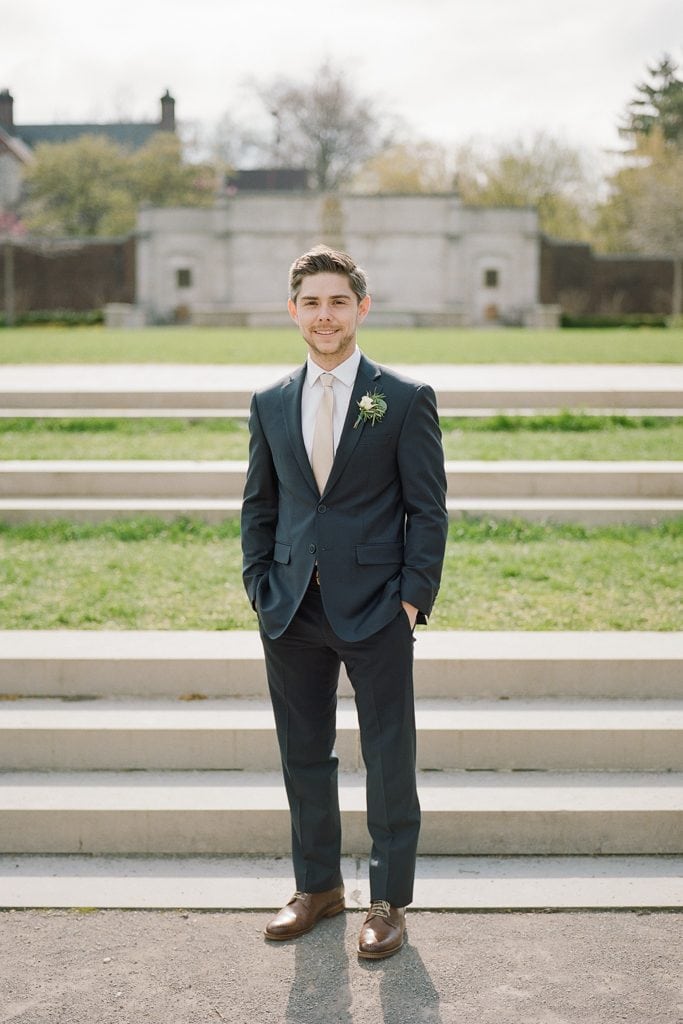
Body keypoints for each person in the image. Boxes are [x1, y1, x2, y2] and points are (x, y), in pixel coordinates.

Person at [241, 245, 448, 959]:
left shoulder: (403, 397)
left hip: (378, 607)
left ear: (361, 308)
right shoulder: (270, 401)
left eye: (336, 302)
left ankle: (387, 900)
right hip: (291, 606)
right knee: (304, 754)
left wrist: (412, 600)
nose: (323, 316)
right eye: (310, 303)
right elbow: (258, 506)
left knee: (389, 755)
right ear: (292, 311)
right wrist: (260, 585)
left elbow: (428, 510)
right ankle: (317, 888)